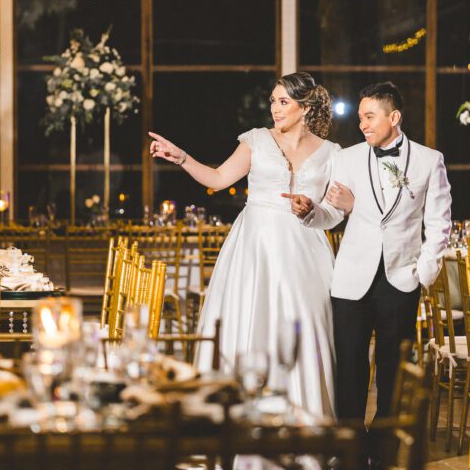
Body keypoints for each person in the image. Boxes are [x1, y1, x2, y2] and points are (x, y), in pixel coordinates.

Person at [148, 72, 354, 419]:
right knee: (246, 321)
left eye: (284, 102)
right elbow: (218, 178)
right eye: (273, 101)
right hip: (254, 248)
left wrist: (313, 211)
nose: (275, 109)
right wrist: (181, 157)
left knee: (305, 325)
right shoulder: (256, 140)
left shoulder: (332, 153)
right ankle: (233, 416)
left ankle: (304, 416)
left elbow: (335, 213)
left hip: (305, 253)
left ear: (305, 108)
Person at [286, 81, 452, 428]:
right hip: (351, 280)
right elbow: (334, 213)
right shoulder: (346, 158)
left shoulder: (429, 160)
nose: (362, 124)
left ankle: (384, 443)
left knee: (394, 370)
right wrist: (311, 211)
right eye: (361, 117)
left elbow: (439, 224)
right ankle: (351, 445)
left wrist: (423, 273)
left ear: (394, 117)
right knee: (349, 366)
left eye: (370, 116)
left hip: (401, 279)